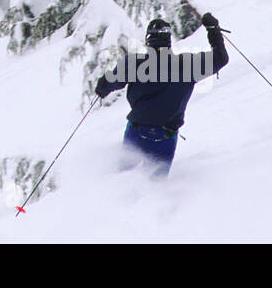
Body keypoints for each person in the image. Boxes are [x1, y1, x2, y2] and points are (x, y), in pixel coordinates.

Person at [95, 13, 228, 177]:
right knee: (156, 186)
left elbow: (105, 85)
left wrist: (102, 88)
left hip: (137, 131)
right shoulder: (187, 65)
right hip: (166, 136)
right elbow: (221, 58)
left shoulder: (135, 63)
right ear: (168, 41)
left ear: (148, 41)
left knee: (122, 177)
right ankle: (154, 201)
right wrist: (213, 30)